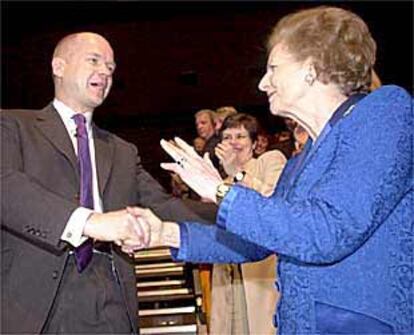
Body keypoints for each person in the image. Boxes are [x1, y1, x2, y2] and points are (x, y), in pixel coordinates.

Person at [129, 6, 413, 334]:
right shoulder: (302, 162)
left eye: (273, 68)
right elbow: (255, 242)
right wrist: (162, 233)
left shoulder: (384, 114)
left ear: (311, 67)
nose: (263, 83)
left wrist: (219, 190)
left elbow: (328, 231)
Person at [0, 32, 207, 334]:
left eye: (111, 67)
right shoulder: (13, 125)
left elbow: (164, 206)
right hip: (34, 304)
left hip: (112, 296)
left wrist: (233, 204)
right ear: (59, 66)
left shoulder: (122, 151)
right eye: (94, 61)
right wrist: (91, 223)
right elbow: (7, 187)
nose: (105, 72)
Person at [211, 113, 286, 335]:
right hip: (228, 272)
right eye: (227, 137)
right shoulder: (218, 182)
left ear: (255, 143)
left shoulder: (270, 160)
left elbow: (274, 202)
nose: (233, 142)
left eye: (240, 136)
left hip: (259, 272)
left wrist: (238, 173)